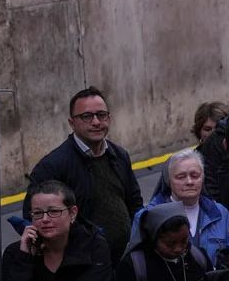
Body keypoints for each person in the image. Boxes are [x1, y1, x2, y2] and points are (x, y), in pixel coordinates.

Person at [28, 88, 144, 259]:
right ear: (72, 122)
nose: (96, 122)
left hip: (124, 259)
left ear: (109, 118)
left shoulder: (119, 156)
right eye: (87, 116)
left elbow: (134, 203)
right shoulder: (52, 166)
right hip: (81, 265)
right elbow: (32, 216)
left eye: (101, 115)